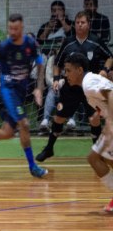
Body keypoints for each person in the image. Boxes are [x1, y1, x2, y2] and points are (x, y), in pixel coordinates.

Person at [36, 11, 113, 162]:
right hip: (70, 87)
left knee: (94, 119)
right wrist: (57, 79)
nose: (79, 25)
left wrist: (105, 70)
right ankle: (49, 148)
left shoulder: (96, 41)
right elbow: (58, 63)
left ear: (88, 25)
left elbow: (110, 57)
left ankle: (98, 154)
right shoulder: (68, 42)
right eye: (77, 22)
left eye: (82, 22)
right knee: (59, 117)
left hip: (90, 88)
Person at [0, 14, 47, 178]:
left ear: (22, 28)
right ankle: (33, 167)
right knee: (24, 123)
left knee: (7, 132)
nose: (12, 32)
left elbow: (40, 64)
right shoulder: (4, 46)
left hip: (20, 92)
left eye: (16, 29)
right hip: (7, 90)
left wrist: (39, 88)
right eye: (10, 28)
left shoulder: (30, 44)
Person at [63, 52, 113, 212]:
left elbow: (111, 94)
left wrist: (108, 124)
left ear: (79, 70)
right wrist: (98, 115)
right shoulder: (90, 81)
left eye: (68, 70)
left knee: (94, 157)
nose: (66, 74)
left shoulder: (88, 83)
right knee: (101, 158)